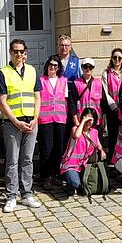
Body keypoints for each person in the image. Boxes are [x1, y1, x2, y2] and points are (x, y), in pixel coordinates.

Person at [0, 39, 42, 213]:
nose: (18, 54)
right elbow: (2, 101)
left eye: (21, 51)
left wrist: (36, 118)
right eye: (15, 51)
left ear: (25, 53)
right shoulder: (3, 73)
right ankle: (11, 195)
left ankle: (27, 193)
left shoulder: (31, 70)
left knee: (27, 159)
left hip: (31, 121)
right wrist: (15, 121)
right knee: (13, 160)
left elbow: (37, 96)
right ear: (10, 52)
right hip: (12, 123)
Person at [38, 55, 68, 190]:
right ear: (47, 66)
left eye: (56, 66)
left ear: (59, 68)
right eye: (51, 65)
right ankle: (46, 177)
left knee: (58, 149)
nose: (53, 68)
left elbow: (65, 100)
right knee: (46, 149)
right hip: (45, 119)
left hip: (60, 119)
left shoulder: (63, 81)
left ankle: (56, 174)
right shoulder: (41, 81)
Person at [60, 108, 105, 195]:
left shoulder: (94, 132)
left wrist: (102, 151)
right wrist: (83, 121)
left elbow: (98, 144)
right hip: (71, 165)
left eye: (92, 120)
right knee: (75, 183)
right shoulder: (75, 129)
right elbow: (76, 135)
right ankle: (70, 184)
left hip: (84, 165)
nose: (90, 122)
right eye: (88, 119)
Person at [101, 49, 122, 154]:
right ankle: (113, 159)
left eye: (119, 58)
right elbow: (105, 91)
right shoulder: (106, 73)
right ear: (111, 59)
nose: (117, 60)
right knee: (113, 134)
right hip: (112, 108)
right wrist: (114, 107)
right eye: (115, 57)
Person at [70, 58, 104, 130]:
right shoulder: (76, 83)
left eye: (90, 67)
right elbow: (72, 103)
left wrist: (104, 118)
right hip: (81, 121)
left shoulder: (99, 83)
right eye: (85, 66)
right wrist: (75, 120)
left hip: (96, 120)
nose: (88, 69)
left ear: (93, 68)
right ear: (82, 68)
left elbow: (103, 102)